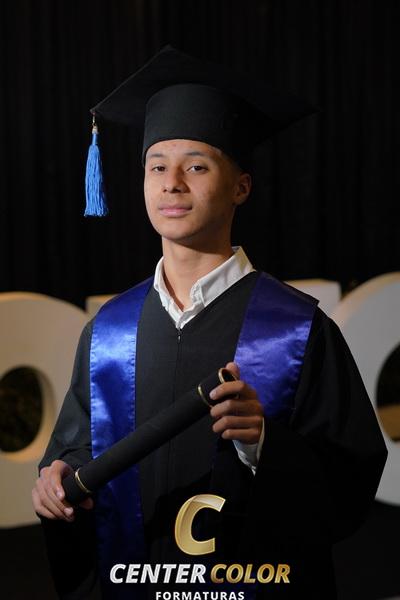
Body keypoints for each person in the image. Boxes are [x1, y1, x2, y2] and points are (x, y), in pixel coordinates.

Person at [32, 46, 387, 600]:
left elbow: (351, 476)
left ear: (240, 186)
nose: (172, 183)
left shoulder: (297, 330)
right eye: (157, 166)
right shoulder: (110, 331)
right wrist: (56, 480)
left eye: (196, 166)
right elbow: (80, 448)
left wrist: (265, 442)